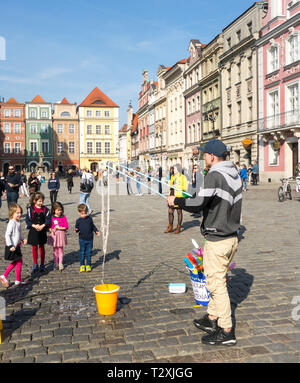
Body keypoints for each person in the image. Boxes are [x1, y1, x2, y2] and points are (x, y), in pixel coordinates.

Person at [167, 139, 242, 346]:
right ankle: (211, 318)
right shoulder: (233, 172)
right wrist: (192, 196)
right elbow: (207, 199)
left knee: (216, 285)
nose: (203, 158)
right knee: (217, 280)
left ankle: (226, 330)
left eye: (204, 155)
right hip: (231, 237)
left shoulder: (215, 175)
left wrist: (177, 201)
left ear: (211, 156)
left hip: (218, 239)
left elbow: (198, 203)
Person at [0, 203, 27, 287]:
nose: (19, 214)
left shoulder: (17, 222)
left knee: (18, 261)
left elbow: (19, 233)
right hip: (12, 246)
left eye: (20, 212)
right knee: (18, 261)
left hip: (17, 245)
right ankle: (9, 277)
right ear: (12, 213)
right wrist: (10, 245)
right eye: (17, 213)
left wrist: (22, 239)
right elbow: (7, 235)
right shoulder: (11, 222)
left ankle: (11, 278)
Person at [26, 192, 51, 273]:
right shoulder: (30, 209)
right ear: (34, 201)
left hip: (42, 230)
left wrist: (43, 225)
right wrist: (34, 225)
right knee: (34, 248)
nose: (41, 203)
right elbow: (27, 221)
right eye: (39, 201)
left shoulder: (45, 209)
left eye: (42, 201)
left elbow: (49, 219)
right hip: (33, 230)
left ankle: (42, 264)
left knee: (41, 247)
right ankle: (35, 263)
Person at [75, 203, 100, 273]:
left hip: (90, 239)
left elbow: (93, 226)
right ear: (79, 213)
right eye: (82, 213)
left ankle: (88, 265)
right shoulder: (78, 221)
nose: (84, 215)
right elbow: (77, 229)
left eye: (85, 213)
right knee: (82, 253)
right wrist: (76, 230)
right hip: (82, 239)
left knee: (89, 253)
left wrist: (96, 231)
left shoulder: (89, 219)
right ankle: (82, 265)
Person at [164, 164, 187, 234]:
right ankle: (170, 226)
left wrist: (177, 186)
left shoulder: (183, 177)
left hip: (178, 196)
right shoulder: (172, 177)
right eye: (173, 169)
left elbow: (185, 187)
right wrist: (168, 195)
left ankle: (178, 227)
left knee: (179, 211)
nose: (174, 170)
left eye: (175, 169)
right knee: (170, 211)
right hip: (172, 194)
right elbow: (170, 187)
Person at [48, 202, 68, 271]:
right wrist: (51, 230)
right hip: (54, 235)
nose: (60, 211)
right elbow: (49, 226)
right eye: (58, 210)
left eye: (60, 210)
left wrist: (59, 228)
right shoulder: (51, 217)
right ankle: (55, 263)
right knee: (55, 250)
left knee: (60, 249)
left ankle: (60, 263)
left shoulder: (63, 217)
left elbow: (66, 226)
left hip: (61, 234)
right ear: (54, 210)